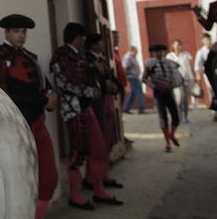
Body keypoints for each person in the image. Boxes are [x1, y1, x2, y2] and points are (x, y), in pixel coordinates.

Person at [0, 14, 59, 219]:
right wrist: (43, 100)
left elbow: (43, 85)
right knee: (19, 180)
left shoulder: (30, 57)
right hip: (13, 127)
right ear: (6, 32)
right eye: (16, 31)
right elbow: (1, 94)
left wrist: (51, 96)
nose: (21, 35)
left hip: (38, 124)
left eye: (24, 31)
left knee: (48, 177)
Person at [50, 23, 124, 210]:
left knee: (98, 148)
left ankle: (97, 189)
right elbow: (73, 82)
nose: (84, 41)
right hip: (73, 109)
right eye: (82, 37)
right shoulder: (63, 56)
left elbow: (88, 79)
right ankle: (75, 195)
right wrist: (95, 83)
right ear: (78, 37)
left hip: (84, 107)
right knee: (78, 152)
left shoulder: (77, 55)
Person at [84, 33, 123, 156]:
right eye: (100, 42)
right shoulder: (87, 59)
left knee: (107, 131)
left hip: (107, 98)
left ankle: (105, 167)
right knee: (99, 132)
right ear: (94, 44)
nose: (103, 45)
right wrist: (104, 83)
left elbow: (111, 77)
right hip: (97, 100)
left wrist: (116, 87)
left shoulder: (102, 59)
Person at [143, 43, 183, 152]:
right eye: (156, 52)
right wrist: (155, 86)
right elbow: (144, 78)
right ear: (153, 53)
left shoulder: (170, 63)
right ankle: (167, 143)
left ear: (164, 52)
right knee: (163, 118)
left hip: (169, 91)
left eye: (161, 51)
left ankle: (171, 134)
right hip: (158, 93)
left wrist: (173, 84)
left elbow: (177, 75)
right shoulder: (149, 64)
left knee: (176, 117)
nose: (159, 54)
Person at [194, 33, 217, 122]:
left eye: (209, 40)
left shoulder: (216, 49)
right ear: (203, 41)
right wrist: (198, 74)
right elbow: (197, 64)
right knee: (212, 92)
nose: (208, 42)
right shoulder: (201, 52)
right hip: (208, 74)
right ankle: (214, 112)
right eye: (206, 40)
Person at [166, 39, 195, 124]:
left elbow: (190, 66)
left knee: (185, 100)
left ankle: (185, 117)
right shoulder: (170, 56)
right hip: (176, 80)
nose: (178, 46)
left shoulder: (186, 55)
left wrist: (194, 76)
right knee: (179, 99)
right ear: (173, 46)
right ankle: (178, 117)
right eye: (176, 45)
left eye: (179, 45)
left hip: (187, 79)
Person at [121, 46, 146, 114]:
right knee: (139, 92)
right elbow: (125, 66)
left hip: (134, 76)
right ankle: (141, 108)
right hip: (132, 76)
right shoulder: (129, 56)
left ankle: (126, 108)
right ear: (133, 50)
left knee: (133, 93)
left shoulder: (132, 57)